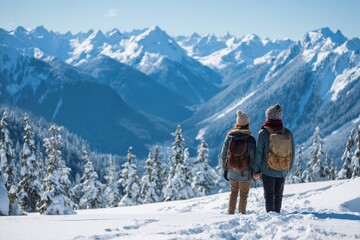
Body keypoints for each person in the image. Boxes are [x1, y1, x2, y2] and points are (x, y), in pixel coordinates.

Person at [253, 103, 295, 213]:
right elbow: (292, 152)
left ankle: (271, 218)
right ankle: (277, 216)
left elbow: (258, 154)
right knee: (279, 195)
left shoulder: (263, 133)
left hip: (268, 170)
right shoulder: (287, 133)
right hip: (282, 169)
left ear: (269, 117)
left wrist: (256, 170)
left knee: (269, 196)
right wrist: (288, 167)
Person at [221, 110, 256, 214]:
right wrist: (253, 171)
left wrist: (225, 169)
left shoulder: (229, 137)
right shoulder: (250, 139)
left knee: (233, 193)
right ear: (247, 124)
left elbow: (223, 154)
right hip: (245, 172)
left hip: (231, 169)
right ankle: (241, 215)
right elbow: (253, 157)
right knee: (243, 195)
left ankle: (231, 213)